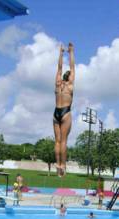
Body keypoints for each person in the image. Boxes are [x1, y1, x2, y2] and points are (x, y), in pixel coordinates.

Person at [54, 42, 75, 177]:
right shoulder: (70, 85)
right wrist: (71, 52)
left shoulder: (58, 83)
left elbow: (59, 67)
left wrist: (61, 53)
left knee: (57, 141)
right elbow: (72, 68)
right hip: (66, 112)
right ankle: (63, 166)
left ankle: (57, 166)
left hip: (56, 112)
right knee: (64, 141)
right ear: (70, 78)